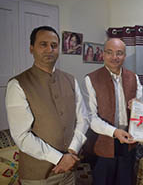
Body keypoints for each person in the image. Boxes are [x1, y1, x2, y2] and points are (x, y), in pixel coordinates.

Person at [5, 26, 131, 185]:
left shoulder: (70, 79)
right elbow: (21, 136)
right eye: (43, 44)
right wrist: (59, 158)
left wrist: (71, 152)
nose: (49, 49)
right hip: (38, 175)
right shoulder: (18, 84)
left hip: (69, 170)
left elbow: (83, 119)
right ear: (32, 48)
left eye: (54, 45)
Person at [82, 38, 143, 185]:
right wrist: (114, 132)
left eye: (119, 53)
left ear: (124, 56)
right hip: (102, 144)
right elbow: (91, 117)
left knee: (126, 181)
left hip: (128, 142)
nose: (114, 57)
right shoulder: (91, 79)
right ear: (103, 54)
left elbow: (141, 111)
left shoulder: (134, 78)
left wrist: (138, 106)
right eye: (110, 52)